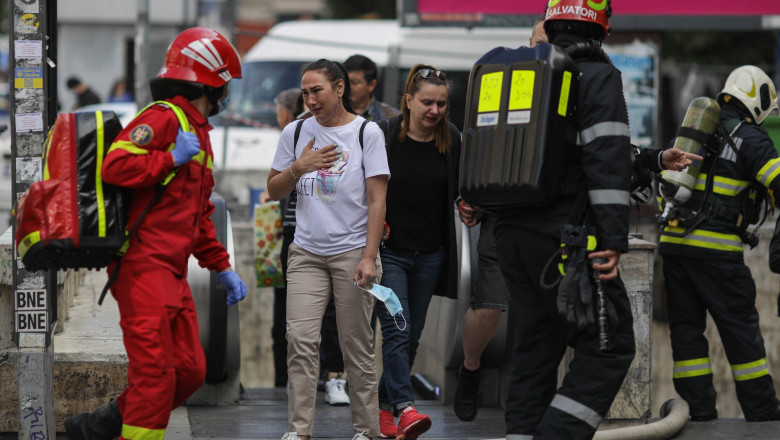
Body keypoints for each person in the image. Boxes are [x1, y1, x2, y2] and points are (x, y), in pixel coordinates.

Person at [63, 27, 248, 440]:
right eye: (226, 84)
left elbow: (198, 214)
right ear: (210, 83)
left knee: (189, 372)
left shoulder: (199, 133)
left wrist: (221, 267)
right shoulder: (164, 117)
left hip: (174, 274)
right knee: (156, 377)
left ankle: (100, 425)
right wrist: (169, 158)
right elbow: (115, 166)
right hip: (144, 268)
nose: (227, 94)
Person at [492, 2, 637, 438]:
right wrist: (612, 238)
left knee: (536, 348)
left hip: (511, 236)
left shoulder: (521, 74)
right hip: (565, 240)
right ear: (601, 24)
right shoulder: (596, 76)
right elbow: (607, 159)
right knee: (609, 348)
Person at [266, 58, 389, 440]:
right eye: (305, 92)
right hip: (306, 252)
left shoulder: (366, 132)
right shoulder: (296, 131)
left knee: (356, 345)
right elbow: (274, 189)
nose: (310, 99)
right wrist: (299, 167)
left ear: (339, 87)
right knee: (300, 340)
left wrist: (369, 257)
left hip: (353, 251)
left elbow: (377, 200)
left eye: (317, 90)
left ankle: (367, 430)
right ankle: (299, 431)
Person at [659, 65, 780, 422]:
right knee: (740, 329)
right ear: (757, 100)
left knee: (686, 331)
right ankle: (762, 409)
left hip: (675, 244)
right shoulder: (752, 138)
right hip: (716, 251)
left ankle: (697, 411)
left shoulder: (696, 129)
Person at [453, 14, 547, 423]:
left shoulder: (574, 84)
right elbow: (479, 139)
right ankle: (470, 368)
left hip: (550, 215)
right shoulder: (506, 81)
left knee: (543, 315)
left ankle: (530, 399)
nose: (543, 49)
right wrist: (468, 194)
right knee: (489, 307)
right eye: (539, 41)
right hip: (502, 213)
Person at [374, 64, 461, 440]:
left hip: (431, 255)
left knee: (410, 338)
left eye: (441, 103)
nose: (435, 110)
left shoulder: (451, 138)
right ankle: (405, 408)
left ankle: (384, 407)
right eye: (427, 102)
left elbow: (460, 188)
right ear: (408, 100)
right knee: (398, 329)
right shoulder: (383, 135)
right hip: (389, 253)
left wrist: (467, 203)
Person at [265, 88, 305, 389]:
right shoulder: (296, 136)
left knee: (286, 314)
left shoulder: (295, 136)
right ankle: (293, 380)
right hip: (291, 234)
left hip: (293, 235)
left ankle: (285, 381)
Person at [344, 54, 398, 121]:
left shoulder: (390, 117)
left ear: (371, 85)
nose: (348, 87)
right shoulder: (333, 113)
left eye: (355, 82)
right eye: (345, 81)